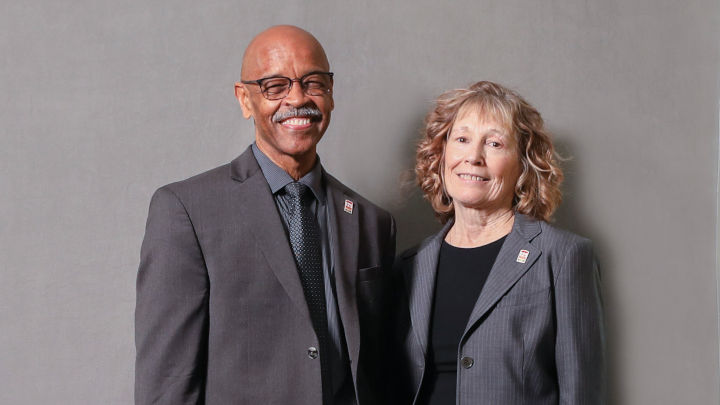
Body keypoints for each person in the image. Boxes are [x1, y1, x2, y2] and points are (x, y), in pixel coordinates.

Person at [135, 25, 395, 405]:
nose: (298, 98)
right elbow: (168, 380)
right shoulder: (187, 211)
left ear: (331, 93)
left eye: (314, 83)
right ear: (245, 99)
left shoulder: (373, 222)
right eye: (275, 86)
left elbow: (379, 369)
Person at [389, 81, 605, 404]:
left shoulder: (562, 257)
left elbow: (581, 395)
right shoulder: (412, 266)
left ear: (523, 165)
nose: (473, 157)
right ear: (441, 153)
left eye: (494, 143)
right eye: (461, 139)